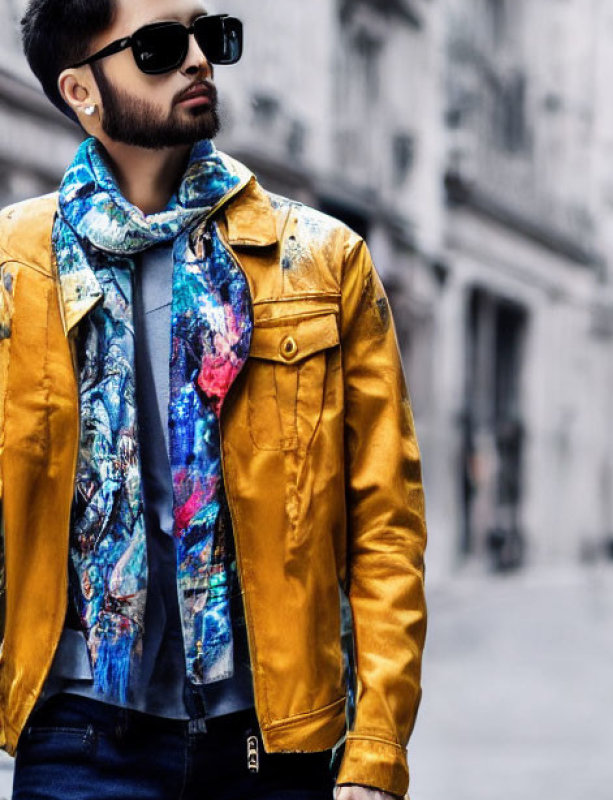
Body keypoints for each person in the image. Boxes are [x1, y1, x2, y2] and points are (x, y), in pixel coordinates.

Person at [0, 1, 427, 798]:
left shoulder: (326, 263)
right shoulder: (13, 268)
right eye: (160, 47)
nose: (198, 58)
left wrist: (375, 754)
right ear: (81, 90)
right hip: (76, 739)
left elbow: (386, 529)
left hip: (272, 743)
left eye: (209, 34)